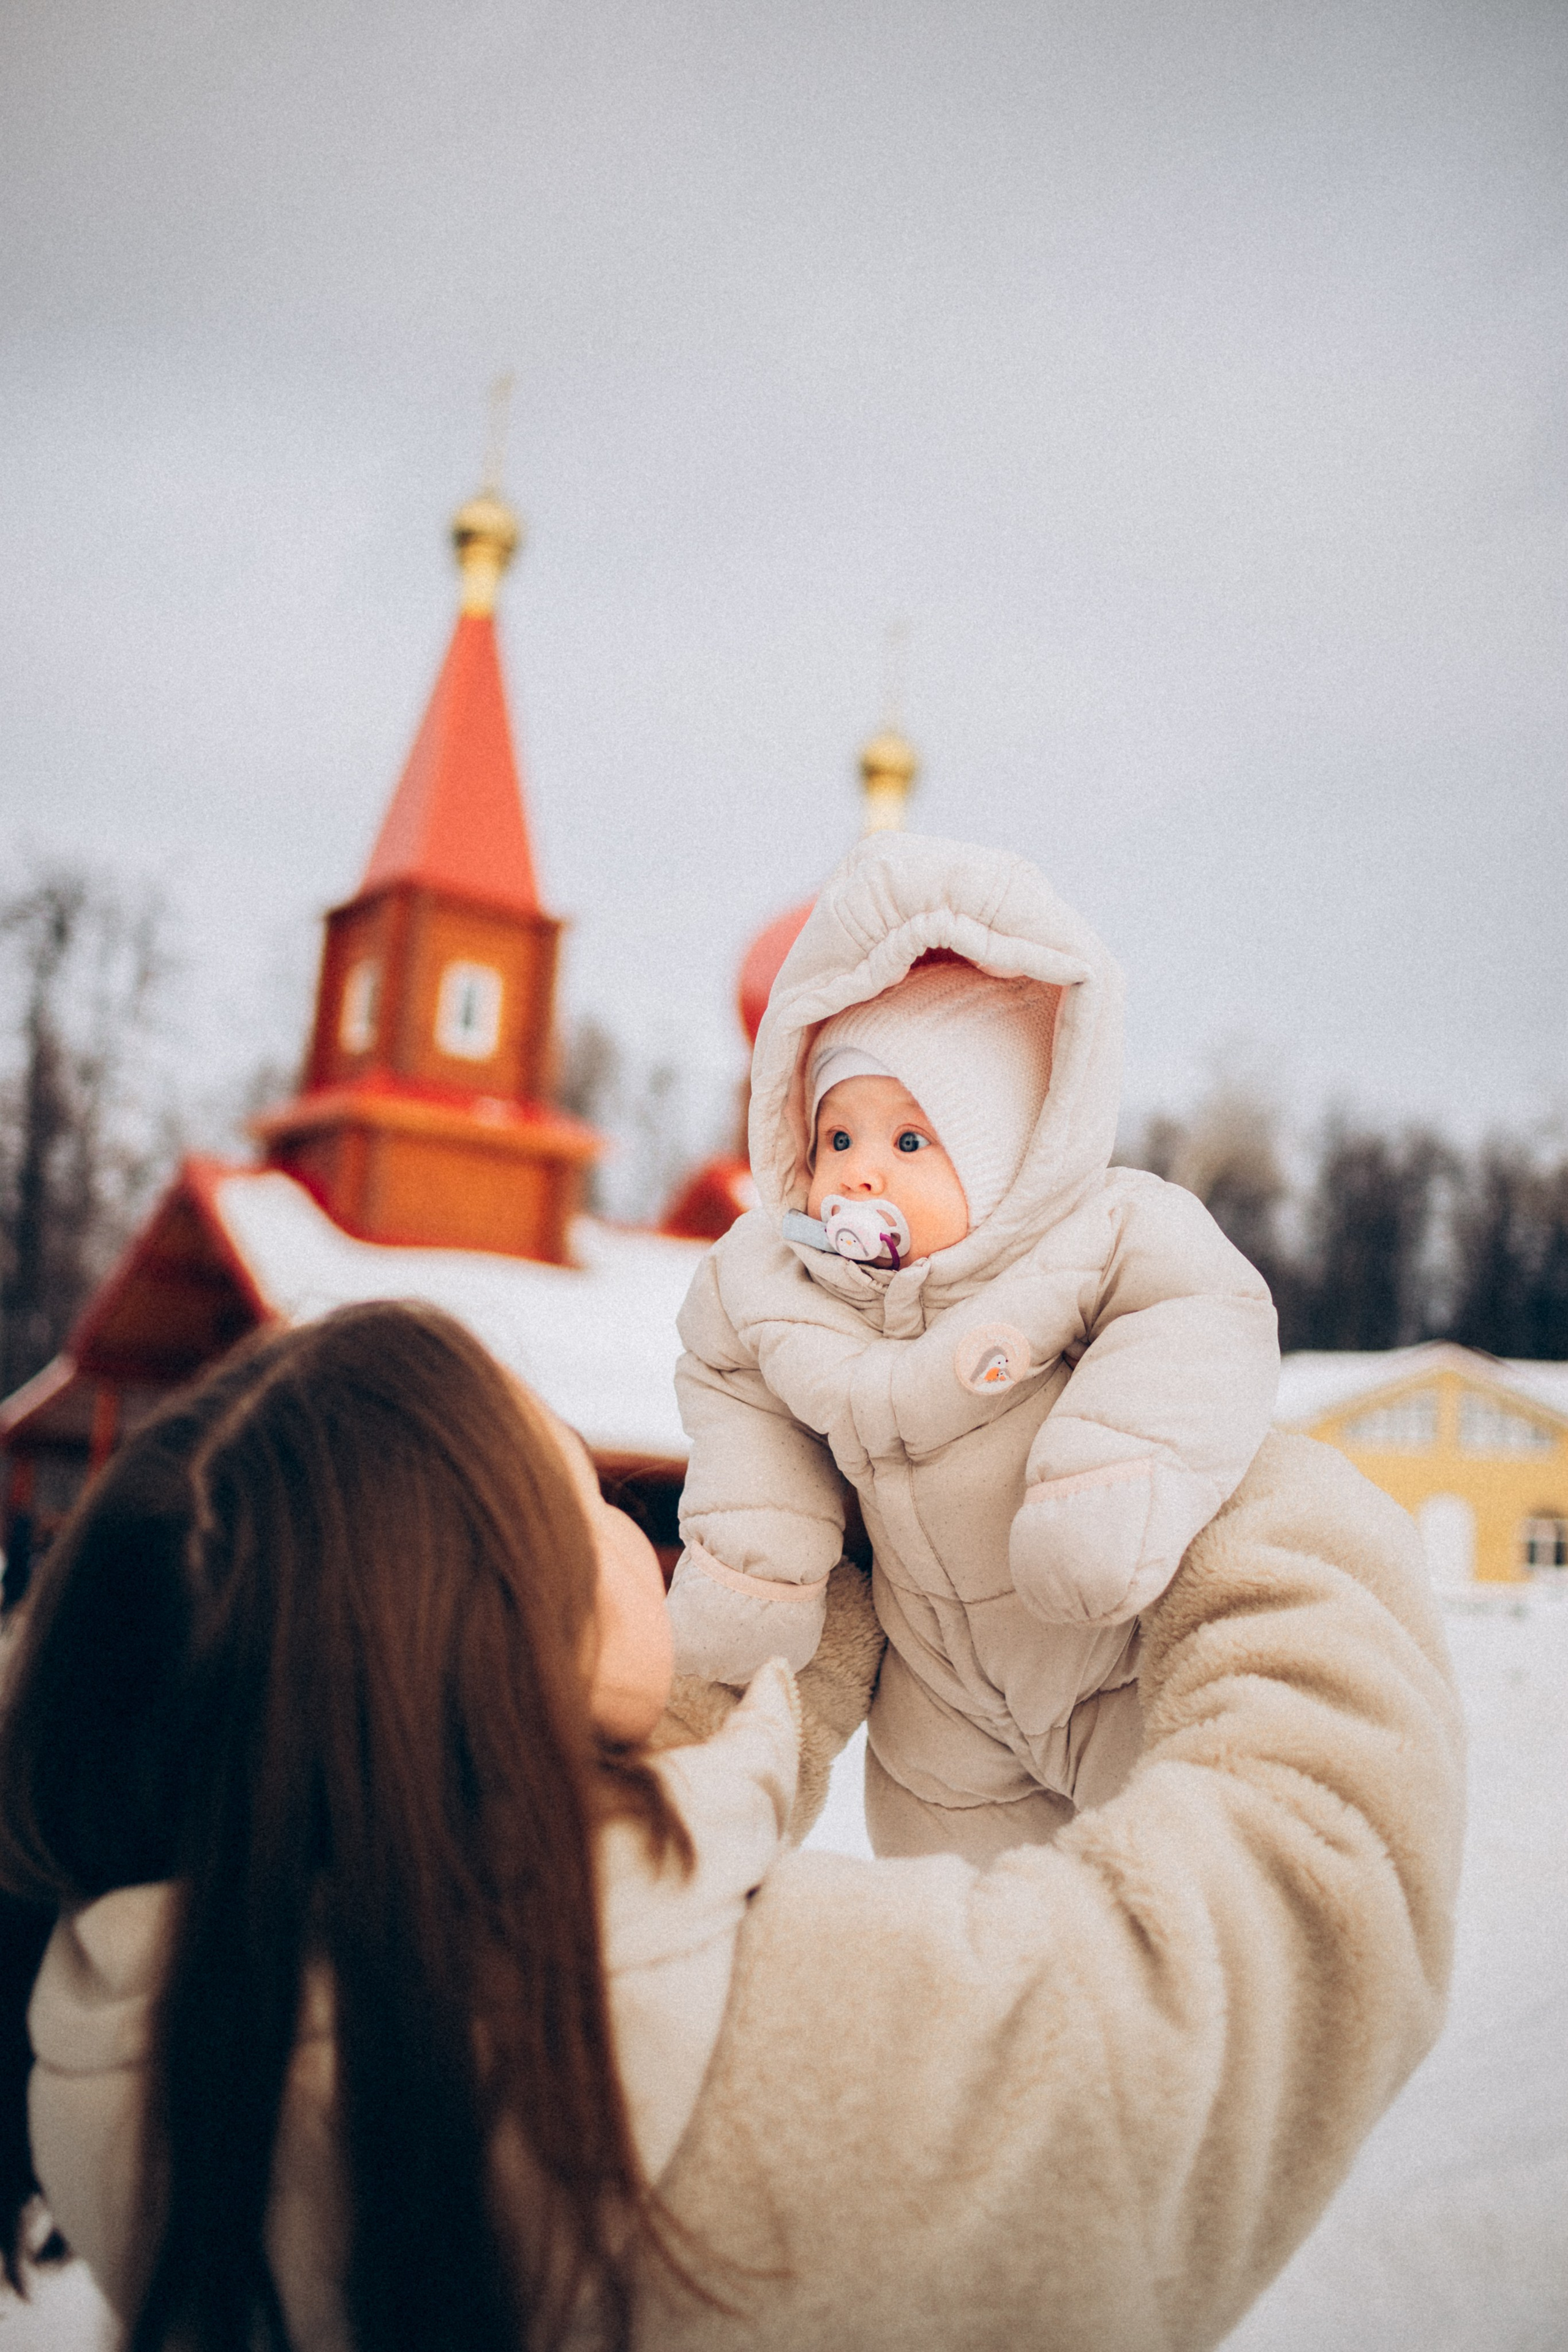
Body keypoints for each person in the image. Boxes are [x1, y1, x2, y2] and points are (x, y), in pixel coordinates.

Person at [0, 1298, 1463, 2351]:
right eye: (572, 1491)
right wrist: (1182, 1431)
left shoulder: (133, 2046)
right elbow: (1312, 1877)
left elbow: (550, 1840)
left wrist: (796, 1590)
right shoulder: (802, 2082)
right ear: (507, 1637)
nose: (639, 1525)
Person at [666, 829, 1280, 1858]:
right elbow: (731, 1380)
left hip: (1104, 1654)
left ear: (1001, 1165)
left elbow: (1202, 1314)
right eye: (838, 1139)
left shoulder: (1096, 1236)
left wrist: (1110, 1476)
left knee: (1154, 1871)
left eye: (910, 1142)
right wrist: (756, 1565)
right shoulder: (773, 1281)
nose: (861, 1174)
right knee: (955, 1902)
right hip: (937, 1700)